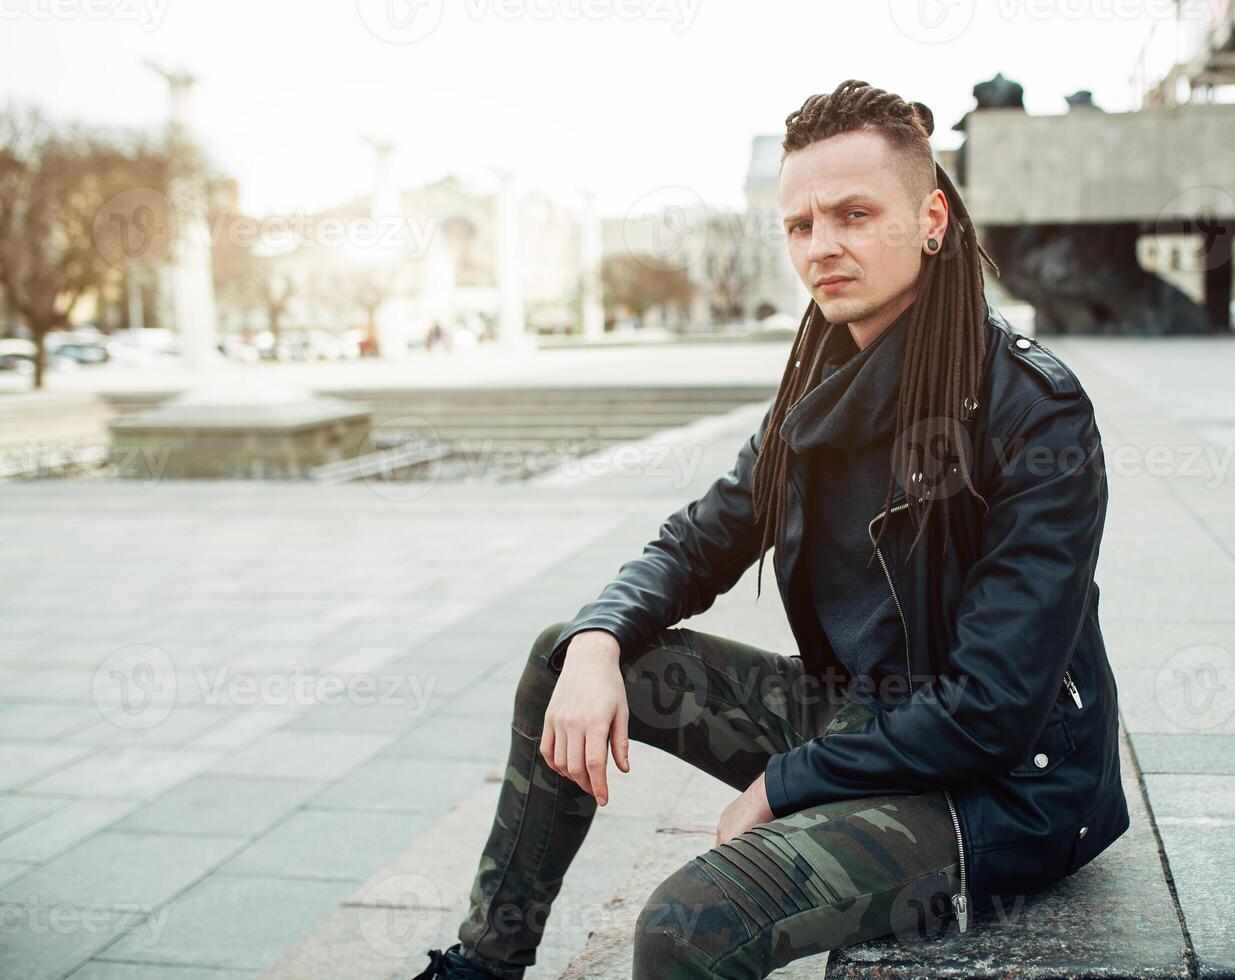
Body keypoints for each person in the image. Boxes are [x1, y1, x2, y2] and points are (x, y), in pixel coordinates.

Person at [412, 78, 1128, 980]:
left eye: (855, 214)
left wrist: (786, 785)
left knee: (688, 924)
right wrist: (598, 639)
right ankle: (484, 965)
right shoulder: (814, 396)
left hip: (1001, 786)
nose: (822, 246)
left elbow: (991, 708)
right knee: (565, 657)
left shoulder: (1033, 411)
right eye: (800, 225)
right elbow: (696, 541)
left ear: (932, 218)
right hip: (863, 719)